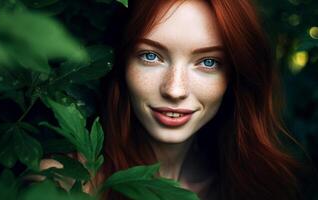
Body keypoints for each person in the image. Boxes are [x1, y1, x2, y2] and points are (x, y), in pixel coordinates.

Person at [39, 0, 302, 199]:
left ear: (235, 76)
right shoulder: (60, 180)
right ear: (120, 63)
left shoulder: (249, 184)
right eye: (151, 56)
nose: (175, 90)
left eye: (208, 62)